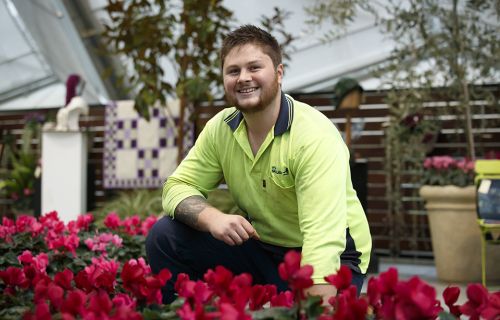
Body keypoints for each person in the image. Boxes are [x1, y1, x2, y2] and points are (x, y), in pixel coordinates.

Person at [146, 24, 372, 304]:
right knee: (165, 236)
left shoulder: (313, 136)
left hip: (334, 257)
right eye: (233, 71)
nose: (243, 78)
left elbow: (323, 238)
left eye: (254, 67)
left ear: (278, 73)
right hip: (264, 249)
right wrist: (213, 219)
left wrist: (316, 308)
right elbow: (177, 186)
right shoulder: (221, 129)